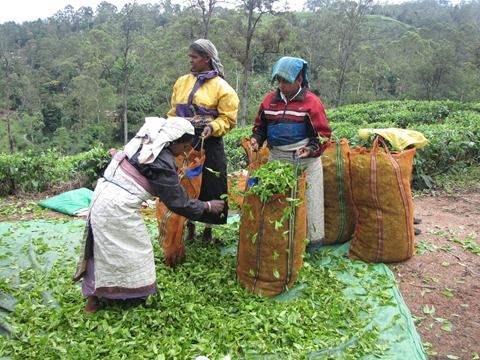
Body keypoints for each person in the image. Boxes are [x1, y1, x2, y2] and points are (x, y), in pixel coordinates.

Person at [73, 117, 225, 314]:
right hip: (116, 206)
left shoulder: (146, 140)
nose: (184, 151)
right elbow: (176, 200)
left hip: (101, 197)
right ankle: (128, 297)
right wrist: (206, 205)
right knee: (137, 250)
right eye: (184, 146)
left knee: (102, 247)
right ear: (173, 142)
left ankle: (95, 299)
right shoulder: (160, 159)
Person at [249, 56, 331, 252]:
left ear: (299, 80)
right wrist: (256, 139)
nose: (281, 85)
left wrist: (309, 150)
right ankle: (282, 247)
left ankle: (310, 248)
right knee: (278, 204)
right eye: (278, 80)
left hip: (304, 162)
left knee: (308, 205)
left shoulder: (312, 103)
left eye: (286, 81)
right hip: (277, 159)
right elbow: (261, 127)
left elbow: (322, 136)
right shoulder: (269, 101)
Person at [166, 38, 239, 242]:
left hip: (209, 142)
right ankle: (190, 228)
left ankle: (208, 230)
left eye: (194, 57)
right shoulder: (182, 82)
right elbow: (173, 112)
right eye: (190, 56)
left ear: (207, 58)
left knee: (210, 184)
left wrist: (212, 126)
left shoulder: (221, 87)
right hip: (183, 143)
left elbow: (228, 118)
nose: (190, 60)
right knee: (185, 183)